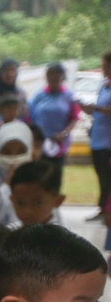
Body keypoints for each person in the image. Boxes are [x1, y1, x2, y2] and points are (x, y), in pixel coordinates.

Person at [29, 62, 79, 191]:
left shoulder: (69, 96)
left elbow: (74, 118)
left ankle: (54, 204)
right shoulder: (39, 95)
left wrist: (65, 133)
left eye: (56, 78)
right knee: (38, 175)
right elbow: (29, 116)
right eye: (50, 78)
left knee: (55, 176)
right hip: (40, 143)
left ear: (62, 78)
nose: (53, 81)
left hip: (59, 144)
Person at [81, 50, 111, 222]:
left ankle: (106, 210)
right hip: (97, 140)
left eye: (106, 65)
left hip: (108, 142)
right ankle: (102, 208)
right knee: (101, 177)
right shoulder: (104, 85)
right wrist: (89, 109)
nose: (103, 69)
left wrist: (98, 109)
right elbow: (99, 110)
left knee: (107, 177)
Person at [9, 160, 66, 227]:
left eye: (37, 202)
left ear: (58, 201)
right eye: (20, 203)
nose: (27, 211)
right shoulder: (9, 233)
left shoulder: (60, 237)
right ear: (12, 200)